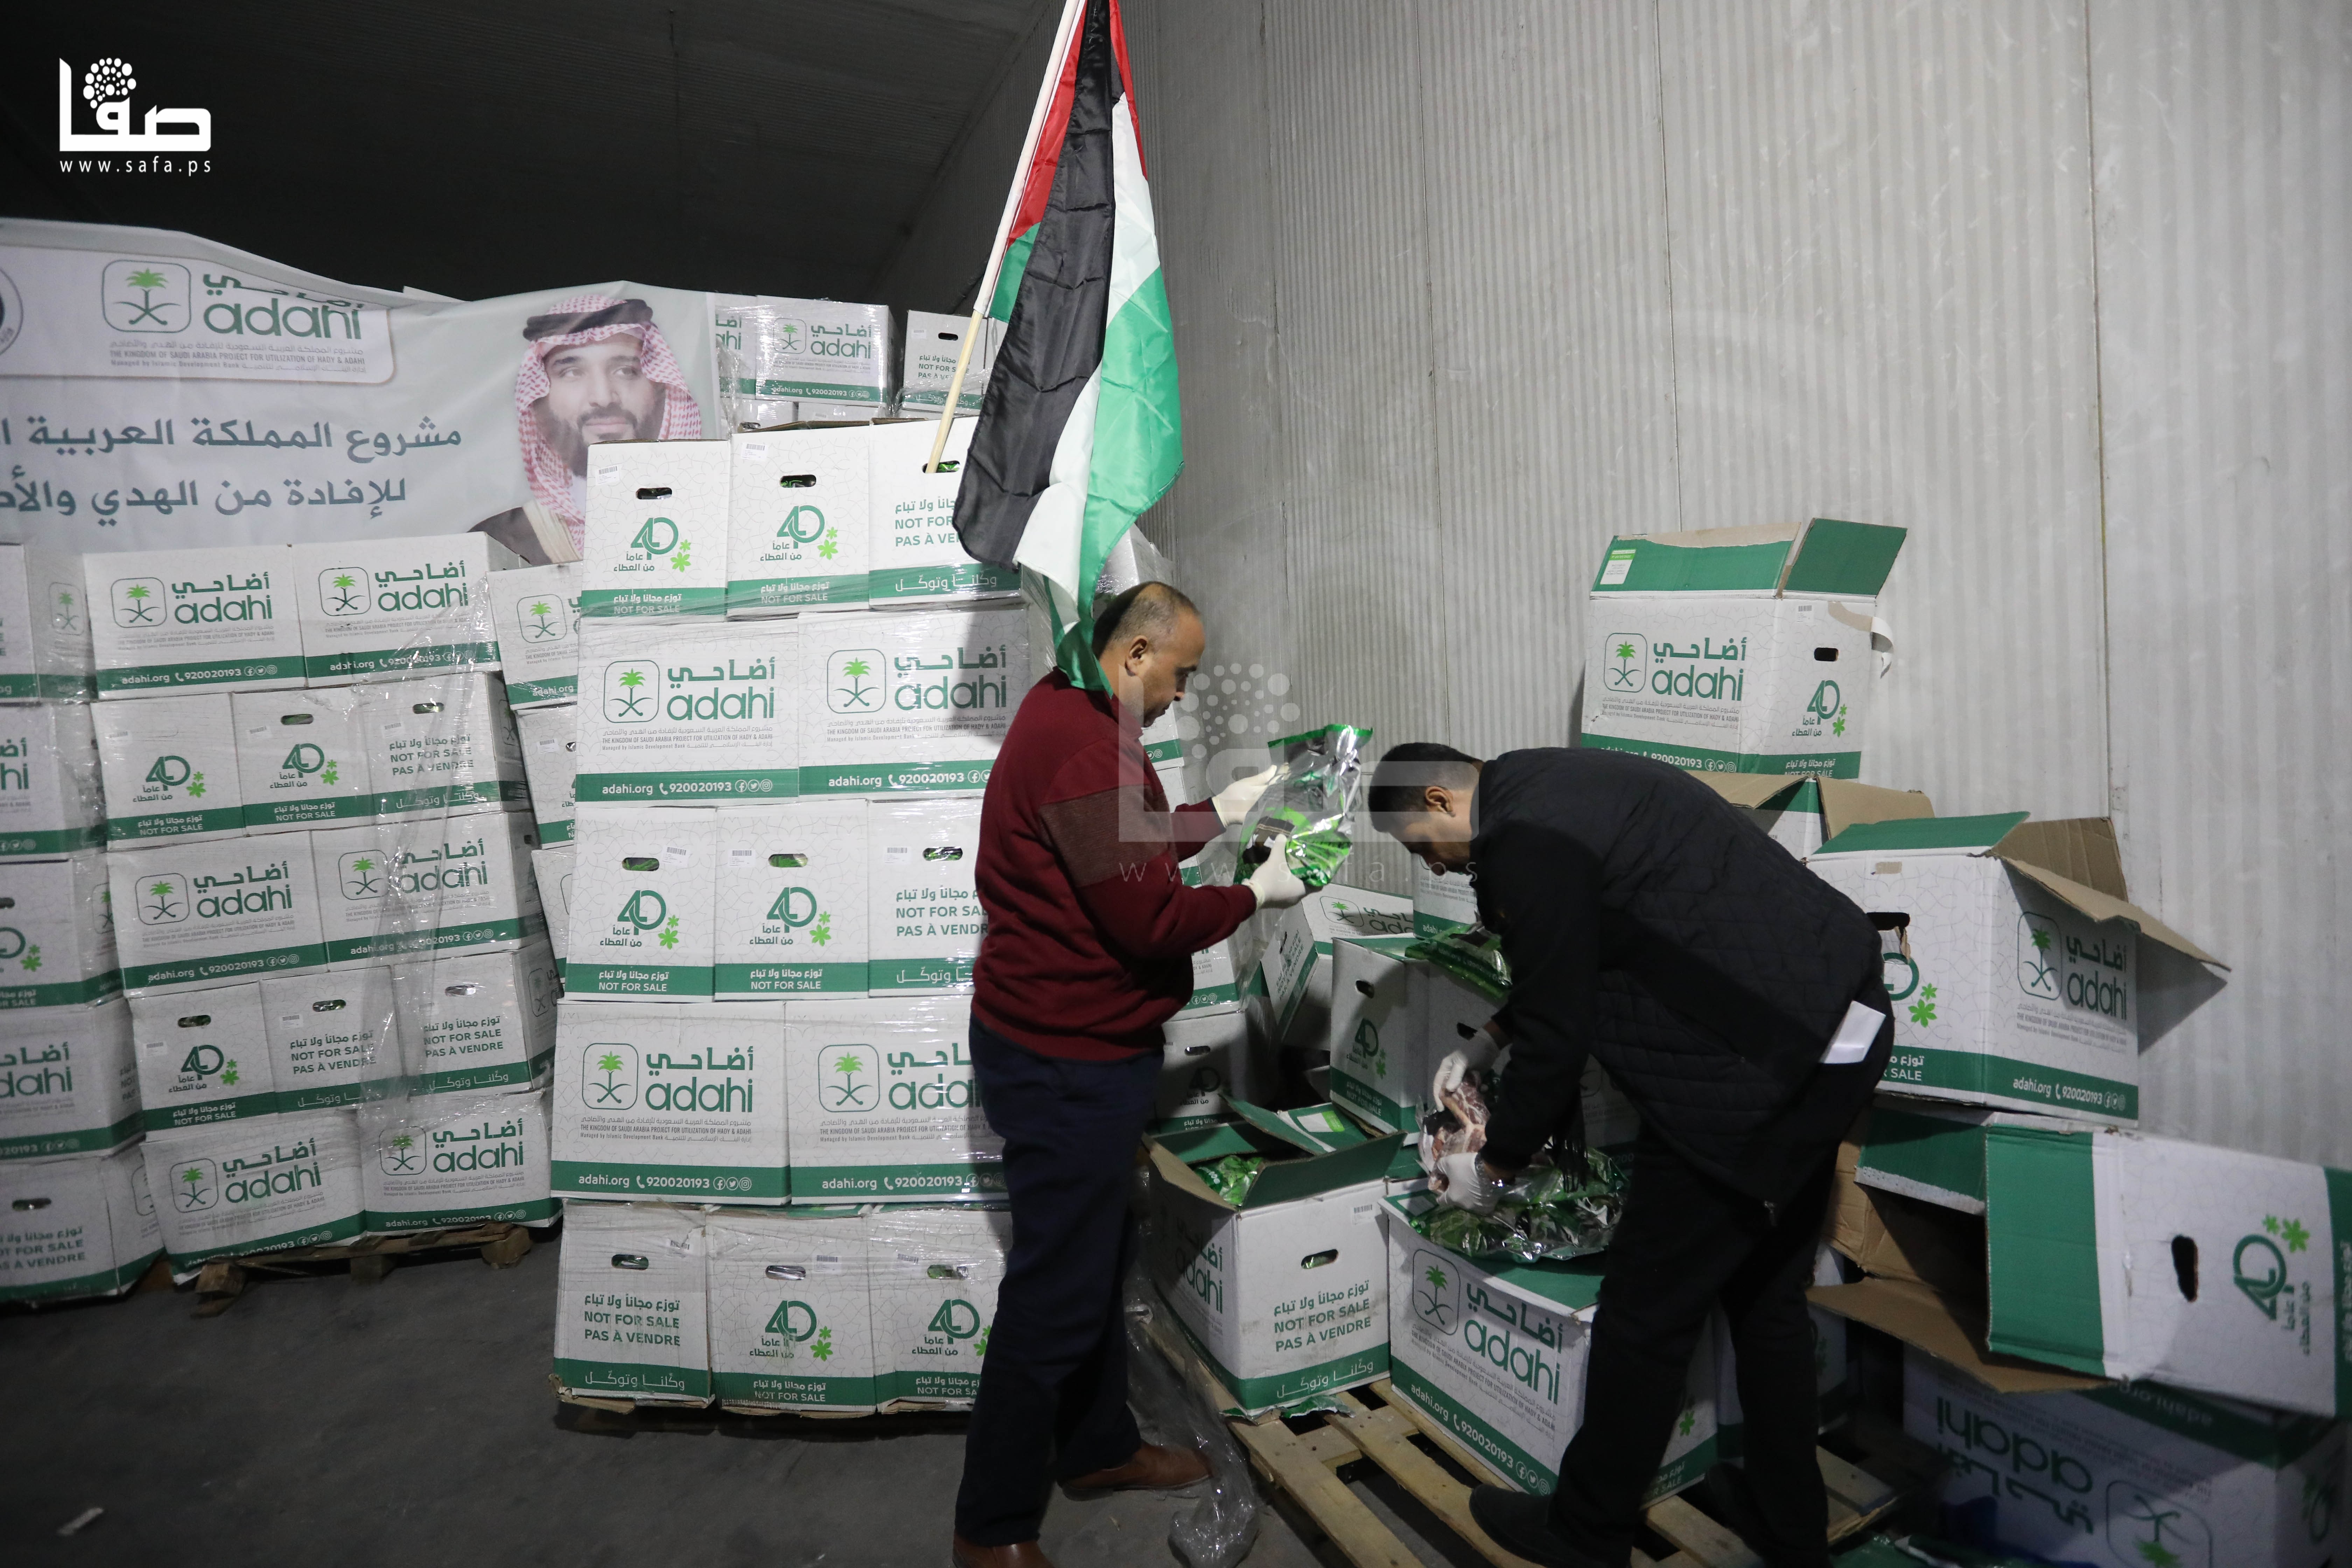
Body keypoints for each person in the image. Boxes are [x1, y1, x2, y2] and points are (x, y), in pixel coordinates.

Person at [1369, 742, 1892, 1568]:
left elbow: (1562, 1028)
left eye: (1419, 845)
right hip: (1840, 1029)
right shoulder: (1549, 781)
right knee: (1765, 1298)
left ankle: (1586, 1532)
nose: (1431, 865)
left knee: (1644, 1320)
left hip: (1752, 1084)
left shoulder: (1521, 843)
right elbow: (1583, 939)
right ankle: (1790, 1529)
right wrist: (1490, 1039)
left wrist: (1494, 1166)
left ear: (1438, 798)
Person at [952, 581, 1300, 1568]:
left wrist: (1207, 818)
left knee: (1097, 1262)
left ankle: (1098, 1448)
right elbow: (1148, 920)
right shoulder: (1084, 748)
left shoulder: (1076, 708)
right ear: (1136, 653)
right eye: (1181, 673)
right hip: (1065, 1058)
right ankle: (990, 1528)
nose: (1183, 693)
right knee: (1055, 1294)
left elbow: (1118, 850)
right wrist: (1253, 893)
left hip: (1074, 1043)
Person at [512, 293, 703, 552]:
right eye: (572, 373)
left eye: (626, 371)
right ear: (538, 398)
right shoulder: (505, 540)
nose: (603, 398)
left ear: (661, 389)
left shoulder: (711, 517)